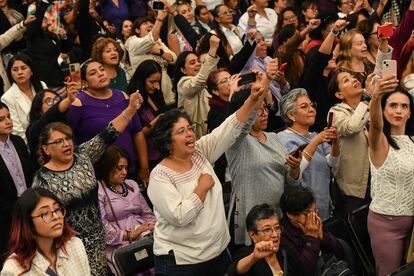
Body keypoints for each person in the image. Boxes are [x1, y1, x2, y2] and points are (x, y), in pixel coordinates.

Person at [147, 71, 270, 275]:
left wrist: (252, 100)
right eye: (181, 132)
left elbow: (229, 128)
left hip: (218, 253)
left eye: (189, 128)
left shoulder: (200, 152)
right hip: (182, 264)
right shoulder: (160, 175)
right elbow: (180, 216)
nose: (189, 134)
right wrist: (202, 188)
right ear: (167, 143)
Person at [32, 91, 143, 275]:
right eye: (58, 141)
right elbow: (40, 222)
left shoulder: (83, 156)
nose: (66, 144)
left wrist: (131, 109)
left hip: (99, 242)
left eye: (68, 138)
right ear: (46, 149)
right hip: (68, 247)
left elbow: (109, 132)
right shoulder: (42, 179)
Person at [226, 61, 301, 249]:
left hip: (276, 218)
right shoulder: (237, 141)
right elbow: (241, 121)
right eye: (258, 110)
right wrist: (266, 79)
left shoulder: (274, 137)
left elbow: (290, 183)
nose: (264, 113)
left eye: (266, 109)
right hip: (251, 222)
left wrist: (295, 168)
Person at [67, 59, 149, 183]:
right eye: (93, 73)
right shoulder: (79, 103)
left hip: (128, 169)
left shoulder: (123, 96)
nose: (100, 74)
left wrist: (144, 167)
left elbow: (137, 133)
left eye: (102, 69)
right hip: (100, 174)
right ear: (84, 82)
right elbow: (70, 138)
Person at [367, 78, 414, 275]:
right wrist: (375, 98)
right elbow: (376, 126)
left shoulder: (412, 142)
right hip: (386, 223)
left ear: (410, 113)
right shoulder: (380, 141)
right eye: (393, 105)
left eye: (404, 106)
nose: (398, 111)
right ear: (384, 110)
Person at [277, 88, 340, 221]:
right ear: (291, 115)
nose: (311, 109)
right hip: (302, 209)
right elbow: (295, 172)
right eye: (304, 107)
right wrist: (316, 142)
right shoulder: (283, 138)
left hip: (323, 204)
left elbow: (333, 163)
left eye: (312, 105)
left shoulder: (315, 135)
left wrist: (335, 143)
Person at [1, 187, 90, 275]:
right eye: (45, 213)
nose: (56, 216)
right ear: (28, 223)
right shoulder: (13, 269)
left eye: (57, 209)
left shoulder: (75, 245)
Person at [96, 145, 155, 274]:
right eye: (119, 168)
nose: (124, 172)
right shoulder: (99, 191)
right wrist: (129, 235)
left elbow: (147, 213)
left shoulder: (131, 185)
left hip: (144, 237)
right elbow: (102, 225)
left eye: (126, 168)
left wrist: (152, 227)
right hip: (119, 244)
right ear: (107, 167)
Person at [279, 186, 345, 275]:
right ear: (290, 214)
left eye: (315, 211)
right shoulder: (282, 237)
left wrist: (323, 237)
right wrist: (311, 238)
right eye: (307, 213)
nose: (313, 217)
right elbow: (304, 272)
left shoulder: (315, 222)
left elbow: (341, 253)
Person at [0, 102, 33, 266]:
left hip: (29, 207)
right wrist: (15, 211)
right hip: (5, 218)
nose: (8, 122)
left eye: (8, 117)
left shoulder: (18, 141)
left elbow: (29, 173)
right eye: (1, 119)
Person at [227, 204, 301, 276]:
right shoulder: (247, 254)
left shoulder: (287, 250)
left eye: (277, 228)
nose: (275, 235)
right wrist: (253, 258)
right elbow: (233, 271)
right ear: (253, 235)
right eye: (267, 230)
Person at [174, 35, 220, 139]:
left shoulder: (206, 82)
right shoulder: (183, 84)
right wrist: (212, 49)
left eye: (198, 61)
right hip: (198, 137)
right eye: (192, 63)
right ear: (183, 70)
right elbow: (199, 81)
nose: (198, 64)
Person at [125, 12, 177, 106]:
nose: (150, 25)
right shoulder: (133, 42)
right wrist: (159, 19)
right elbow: (150, 40)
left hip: (167, 90)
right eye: (145, 23)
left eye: (151, 24)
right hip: (146, 93)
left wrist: (159, 52)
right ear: (137, 30)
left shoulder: (159, 42)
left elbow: (174, 58)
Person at [26, 84, 79, 168]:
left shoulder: (65, 123)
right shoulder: (33, 129)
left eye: (57, 99)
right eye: (49, 101)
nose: (55, 102)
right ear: (39, 110)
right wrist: (68, 100)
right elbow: (49, 116)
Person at [127, 59, 168, 169]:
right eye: (152, 82)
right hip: (145, 157)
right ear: (141, 80)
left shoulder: (157, 94)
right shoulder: (132, 100)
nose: (156, 86)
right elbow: (136, 134)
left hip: (163, 151)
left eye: (158, 81)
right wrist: (156, 121)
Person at [25, 0, 71, 89]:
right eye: (42, 18)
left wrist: (64, 38)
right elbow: (36, 21)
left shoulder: (51, 35)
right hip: (44, 83)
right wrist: (45, 2)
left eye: (45, 18)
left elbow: (66, 50)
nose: (44, 19)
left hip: (58, 80)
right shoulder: (31, 35)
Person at [1, 53, 47, 143]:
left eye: (23, 68)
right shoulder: (7, 98)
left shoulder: (42, 85)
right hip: (30, 143)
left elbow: (53, 113)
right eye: (15, 69)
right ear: (10, 74)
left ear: (31, 71)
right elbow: (17, 132)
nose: (19, 72)